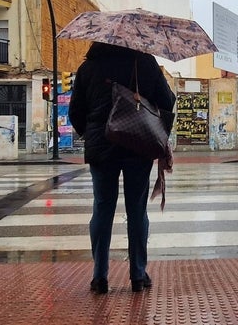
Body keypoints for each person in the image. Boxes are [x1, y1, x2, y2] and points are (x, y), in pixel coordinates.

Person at [68, 42, 176, 294]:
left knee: (102, 208)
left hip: (100, 147)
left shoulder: (88, 68)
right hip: (137, 143)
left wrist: (93, 132)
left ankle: (99, 277)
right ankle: (138, 275)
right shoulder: (144, 63)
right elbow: (167, 101)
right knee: (137, 210)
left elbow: (75, 112)